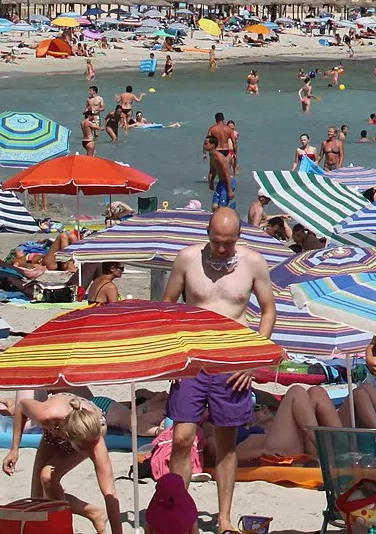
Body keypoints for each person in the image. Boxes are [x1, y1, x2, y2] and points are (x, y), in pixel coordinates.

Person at [161, 207, 275, 533]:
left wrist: (254, 358)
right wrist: (169, 352)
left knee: (227, 443)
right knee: (182, 438)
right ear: (207, 233)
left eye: (227, 242)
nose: (221, 248)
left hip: (233, 361)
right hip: (193, 359)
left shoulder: (253, 262)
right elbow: (167, 305)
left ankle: (224, 519)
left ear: (238, 237)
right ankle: (180, 515)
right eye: (216, 241)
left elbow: (268, 311)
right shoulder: (187, 259)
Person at [3, 392, 123, 534]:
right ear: (67, 438)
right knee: (38, 499)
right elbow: (22, 406)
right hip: (59, 427)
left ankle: (65, 524)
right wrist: (14, 450)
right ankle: (93, 512)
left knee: (47, 476)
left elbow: (110, 494)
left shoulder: (93, 441)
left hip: (91, 426)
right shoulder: (46, 416)